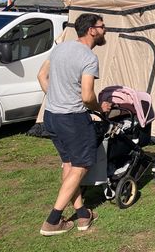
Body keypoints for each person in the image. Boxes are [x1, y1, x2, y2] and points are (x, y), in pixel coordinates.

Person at [37, 14, 112, 236]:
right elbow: (88, 96)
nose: (104, 30)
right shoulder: (88, 58)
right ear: (92, 30)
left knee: (69, 164)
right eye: (102, 26)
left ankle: (81, 214)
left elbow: (41, 76)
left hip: (51, 116)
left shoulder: (60, 48)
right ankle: (53, 220)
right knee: (80, 167)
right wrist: (100, 109)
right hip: (73, 120)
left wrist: (56, 98)